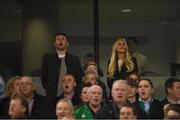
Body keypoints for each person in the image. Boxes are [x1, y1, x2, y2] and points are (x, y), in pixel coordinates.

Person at [41, 32, 83, 98]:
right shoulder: (48, 59)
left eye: (63, 39)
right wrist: (50, 88)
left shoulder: (74, 59)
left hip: (71, 96)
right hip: (52, 95)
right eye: (58, 39)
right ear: (54, 43)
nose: (60, 41)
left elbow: (78, 77)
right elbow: (44, 77)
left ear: (67, 43)